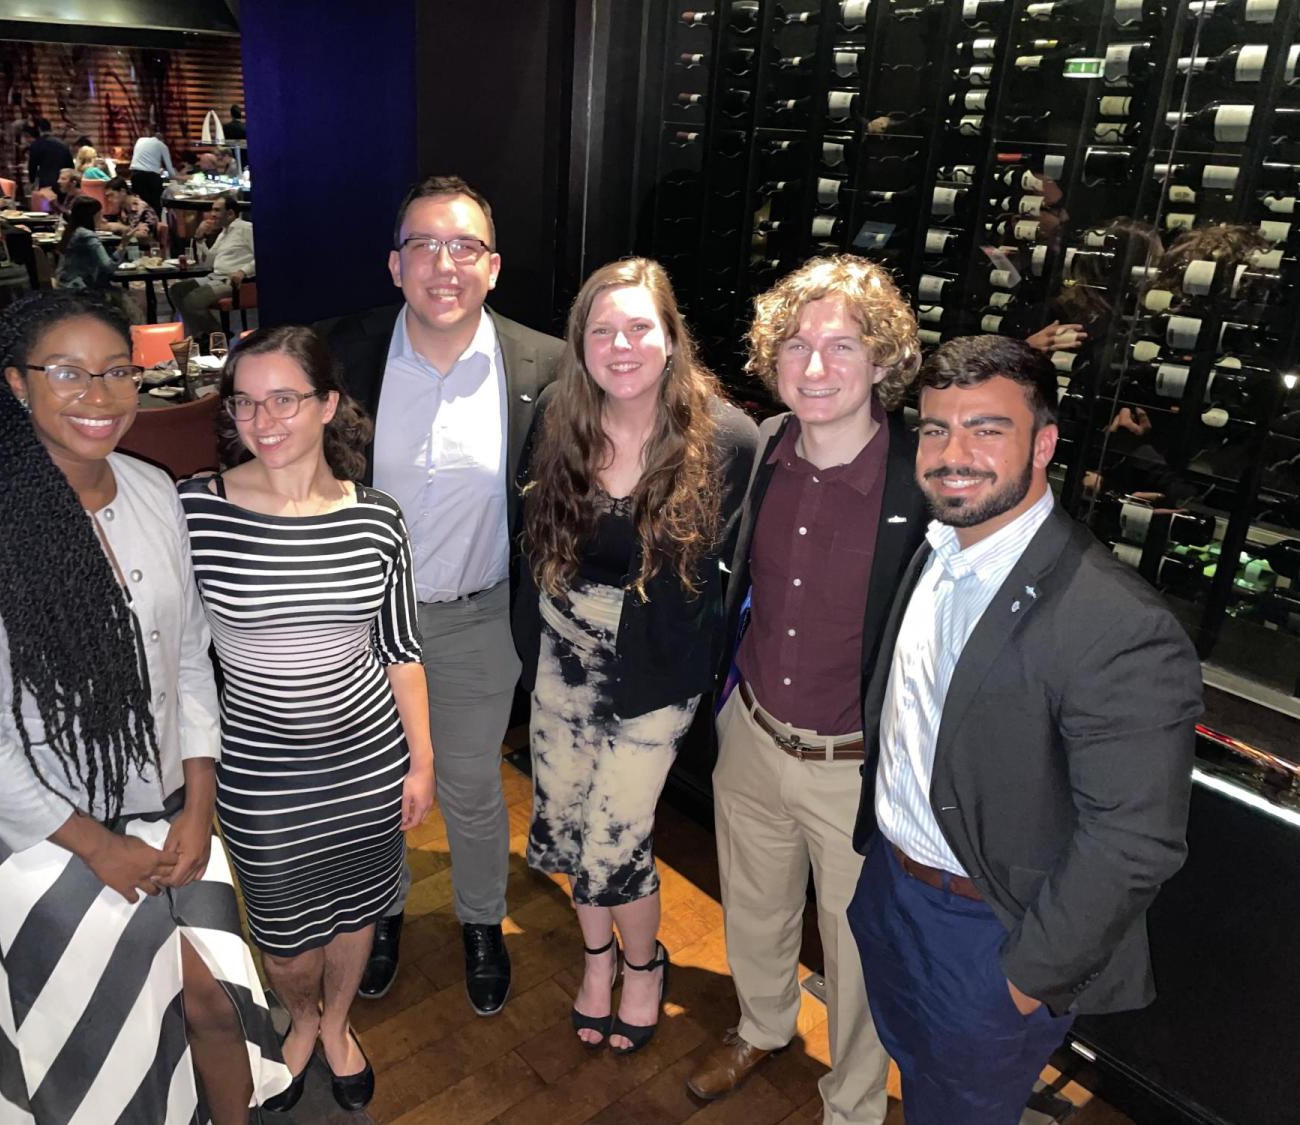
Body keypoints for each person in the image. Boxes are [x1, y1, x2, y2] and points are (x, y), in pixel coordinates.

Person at [0, 290, 292, 1123]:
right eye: (69, 373)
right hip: (37, 831)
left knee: (218, 1004)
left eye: (118, 371)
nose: (101, 395)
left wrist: (200, 801)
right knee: (103, 1058)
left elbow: (189, 657)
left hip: (168, 808)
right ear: (14, 382)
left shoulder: (152, 492)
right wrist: (98, 847)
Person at [847, 335, 1204, 1125]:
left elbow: (1135, 839)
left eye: (987, 428)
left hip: (987, 935)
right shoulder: (939, 547)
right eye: (936, 429)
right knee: (920, 1079)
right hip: (894, 898)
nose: (953, 453)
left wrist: (1024, 975)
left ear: (1043, 443)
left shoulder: (1117, 623)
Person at [687, 255, 928, 1118]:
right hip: (751, 732)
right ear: (772, 357)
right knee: (753, 908)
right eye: (797, 344)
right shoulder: (759, 453)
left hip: (854, 764)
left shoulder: (924, 485)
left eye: (842, 345)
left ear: (883, 361)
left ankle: (854, 1100)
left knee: (860, 953)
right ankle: (762, 1023)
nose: (816, 365)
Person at [316, 175, 563, 1015]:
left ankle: (481, 921)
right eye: (424, 244)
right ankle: (379, 913)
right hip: (358, 624)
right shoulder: (341, 355)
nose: (444, 263)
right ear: (395, 264)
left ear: (492, 267)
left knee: (466, 782)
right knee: (374, 779)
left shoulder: (543, 363)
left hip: (476, 617)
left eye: (464, 247)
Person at [178, 325, 434, 1113]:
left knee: (358, 908)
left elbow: (400, 649)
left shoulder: (377, 520)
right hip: (259, 770)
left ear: (327, 404)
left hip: (366, 761)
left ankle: (338, 1026)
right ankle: (300, 1014)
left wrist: (420, 762)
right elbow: (182, 650)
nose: (264, 419)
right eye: (246, 401)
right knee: (286, 933)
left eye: (284, 398)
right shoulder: (196, 508)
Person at [514, 257, 758, 1052]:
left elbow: (733, 575)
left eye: (638, 327)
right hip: (562, 659)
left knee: (617, 835)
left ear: (671, 337)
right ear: (581, 340)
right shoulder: (556, 411)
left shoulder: (725, 436)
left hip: (655, 668)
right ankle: (596, 962)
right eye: (602, 329)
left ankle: (644, 966)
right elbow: (530, 538)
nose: (620, 345)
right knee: (568, 821)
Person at [170, 192, 254, 341]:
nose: (212, 214)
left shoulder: (245, 228)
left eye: (217, 210)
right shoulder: (223, 232)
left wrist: (243, 271)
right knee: (177, 290)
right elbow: (208, 263)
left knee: (193, 300)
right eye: (212, 210)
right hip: (214, 276)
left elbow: (263, 256)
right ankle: (202, 336)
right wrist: (200, 238)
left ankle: (219, 338)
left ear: (230, 213)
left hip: (233, 281)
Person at [55, 194, 133, 306]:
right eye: (100, 214)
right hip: (79, 288)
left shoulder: (71, 230)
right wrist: (123, 244)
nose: (103, 218)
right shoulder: (87, 235)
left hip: (64, 283)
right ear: (92, 216)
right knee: (126, 300)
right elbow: (108, 266)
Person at [101, 176, 161, 252]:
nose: (109, 199)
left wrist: (121, 228)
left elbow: (145, 236)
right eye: (107, 197)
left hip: (143, 251)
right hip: (126, 248)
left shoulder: (143, 209)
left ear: (123, 191)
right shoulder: (122, 208)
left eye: (112, 195)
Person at [130, 128, 181, 212]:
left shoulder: (140, 140)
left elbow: (144, 159)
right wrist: (181, 177)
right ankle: (156, 222)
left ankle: (140, 221)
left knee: (139, 203)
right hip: (151, 178)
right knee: (155, 204)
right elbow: (171, 171)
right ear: (162, 140)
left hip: (135, 175)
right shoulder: (162, 145)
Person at [25, 117, 74, 191]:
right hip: (62, 183)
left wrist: (32, 181)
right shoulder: (63, 144)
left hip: (45, 183)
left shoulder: (36, 145)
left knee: (45, 202)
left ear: (39, 129)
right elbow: (70, 166)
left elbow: (32, 166)